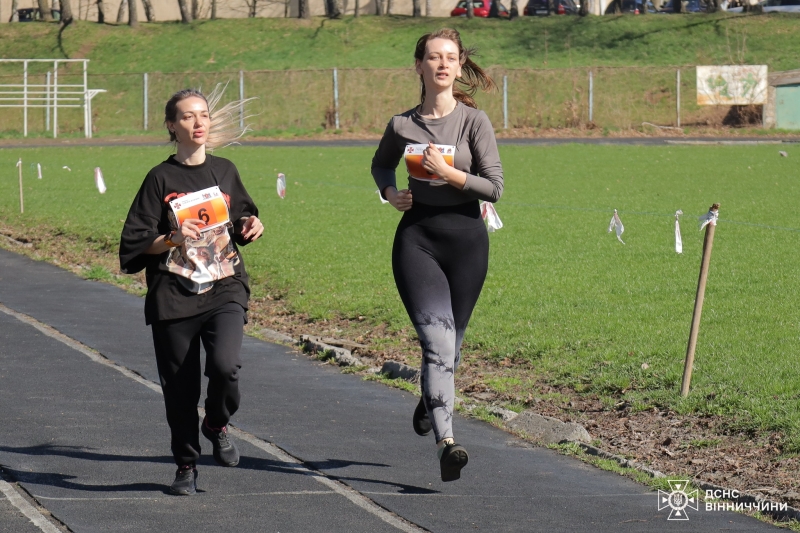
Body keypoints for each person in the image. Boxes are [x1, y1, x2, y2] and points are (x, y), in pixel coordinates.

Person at [371, 28, 504, 482]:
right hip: (418, 240)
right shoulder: (401, 125)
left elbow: (495, 187)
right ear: (419, 65)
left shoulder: (474, 122)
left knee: (453, 347)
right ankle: (447, 444)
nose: (443, 64)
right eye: (434, 57)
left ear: (460, 64)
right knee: (438, 344)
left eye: (451, 57)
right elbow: (381, 163)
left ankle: (430, 400)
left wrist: (449, 173)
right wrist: (390, 193)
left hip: (467, 242)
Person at [119, 87, 263, 495]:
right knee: (181, 391)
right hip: (174, 296)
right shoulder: (159, 179)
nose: (198, 122)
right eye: (187, 116)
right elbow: (134, 245)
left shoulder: (225, 170)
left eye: (203, 115)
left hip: (224, 286)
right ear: (172, 125)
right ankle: (186, 464)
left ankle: (216, 423)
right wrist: (173, 237)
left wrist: (252, 225)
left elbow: (243, 218)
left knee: (226, 366)